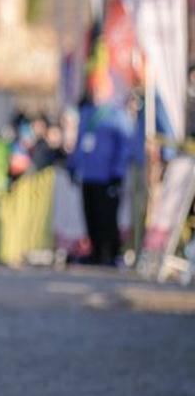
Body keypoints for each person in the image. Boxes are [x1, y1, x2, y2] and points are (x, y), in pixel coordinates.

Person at [66, 87, 131, 266]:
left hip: (107, 175)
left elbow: (124, 146)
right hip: (88, 174)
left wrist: (117, 172)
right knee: (90, 214)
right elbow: (80, 142)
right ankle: (95, 251)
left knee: (107, 215)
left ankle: (111, 252)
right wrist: (72, 165)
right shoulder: (87, 114)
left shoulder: (117, 115)